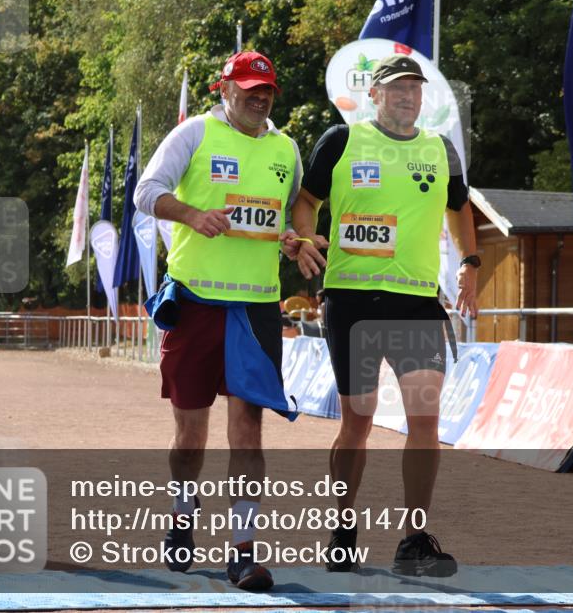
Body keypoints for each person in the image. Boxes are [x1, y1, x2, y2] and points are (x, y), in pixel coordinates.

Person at [292, 54, 479, 577]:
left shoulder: (440, 150)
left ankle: (413, 539)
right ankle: (344, 528)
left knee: (426, 421)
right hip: (352, 300)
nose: (407, 96)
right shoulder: (342, 140)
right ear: (374, 94)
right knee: (359, 419)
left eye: (414, 88)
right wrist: (306, 238)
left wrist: (470, 263)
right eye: (396, 88)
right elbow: (306, 199)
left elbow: (459, 206)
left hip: (418, 302)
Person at [134, 50, 302, 591]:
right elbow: (144, 192)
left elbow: (288, 214)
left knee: (248, 429)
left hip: (256, 308)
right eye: (249, 87)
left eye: (267, 88)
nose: (259, 96)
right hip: (196, 301)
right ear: (223, 90)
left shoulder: (286, 149)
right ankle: (184, 510)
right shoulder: (193, 135)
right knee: (190, 428)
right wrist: (190, 214)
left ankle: (243, 551)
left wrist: (294, 240)